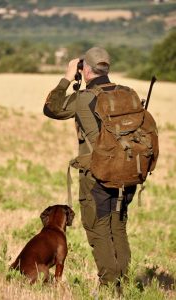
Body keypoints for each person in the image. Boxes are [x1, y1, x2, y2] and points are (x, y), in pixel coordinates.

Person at [43, 47, 136, 286]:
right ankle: (123, 283)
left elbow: (51, 108)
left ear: (85, 70)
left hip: (97, 175)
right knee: (118, 227)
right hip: (127, 173)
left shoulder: (83, 97)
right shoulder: (128, 93)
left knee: (98, 230)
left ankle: (108, 286)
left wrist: (66, 77)